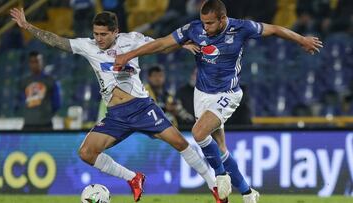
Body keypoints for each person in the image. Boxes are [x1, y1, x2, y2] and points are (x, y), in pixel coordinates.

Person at [10, 8, 227, 203]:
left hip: (142, 107)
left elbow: (161, 45)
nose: (99, 39)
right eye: (96, 33)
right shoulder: (88, 46)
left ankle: (213, 185)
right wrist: (28, 26)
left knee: (180, 143)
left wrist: (183, 44)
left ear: (116, 31)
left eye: (103, 34)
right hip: (116, 115)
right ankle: (133, 178)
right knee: (86, 153)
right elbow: (57, 41)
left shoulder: (132, 40)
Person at [114, 0, 323, 202]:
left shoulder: (241, 28)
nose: (205, 27)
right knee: (221, 149)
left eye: (210, 23)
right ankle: (248, 193)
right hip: (202, 95)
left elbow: (275, 29)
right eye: (203, 22)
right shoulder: (193, 29)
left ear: (222, 19)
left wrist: (302, 40)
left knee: (198, 133)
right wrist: (129, 55)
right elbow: (161, 44)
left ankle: (221, 176)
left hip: (227, 94)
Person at [21, 51, 61, 130]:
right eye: (32, 62)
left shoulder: (51, 80)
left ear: (42, 62)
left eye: (37, 61)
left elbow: (57, 103)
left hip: (45, 124)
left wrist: (46, 114)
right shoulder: (25, 81)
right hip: (28, 124)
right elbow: (23, 100)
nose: (34, 65)